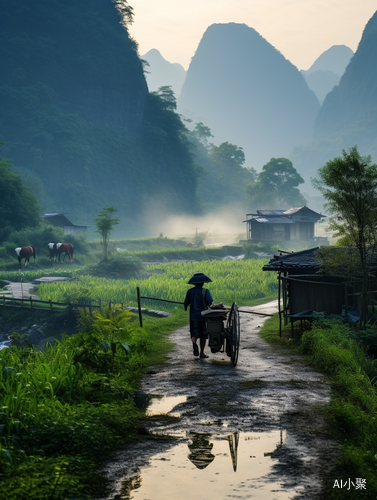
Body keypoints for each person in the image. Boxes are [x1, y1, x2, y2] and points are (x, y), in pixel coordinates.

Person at [184, 272, 213, 359]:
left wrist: (186, 306)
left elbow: (186, 302)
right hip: (203, 316)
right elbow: (209, 302)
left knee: (194, 333)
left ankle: (194, 343)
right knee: (203, 334)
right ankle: (202, 353)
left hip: (193, 316)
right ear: (203, 283)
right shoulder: (205, 291)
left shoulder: (190, 291)